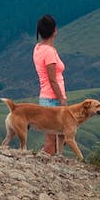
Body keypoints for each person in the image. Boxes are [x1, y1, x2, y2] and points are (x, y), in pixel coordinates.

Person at [32, 14, 66, 156]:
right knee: (53, 139)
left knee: (55, 137)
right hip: (53, 99)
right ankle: (45, 165)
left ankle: (49, 164)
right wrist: (62, 100)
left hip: (45, 97)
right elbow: (52, 80)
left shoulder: (38, 48)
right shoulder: (50, 52)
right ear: (54, 31)